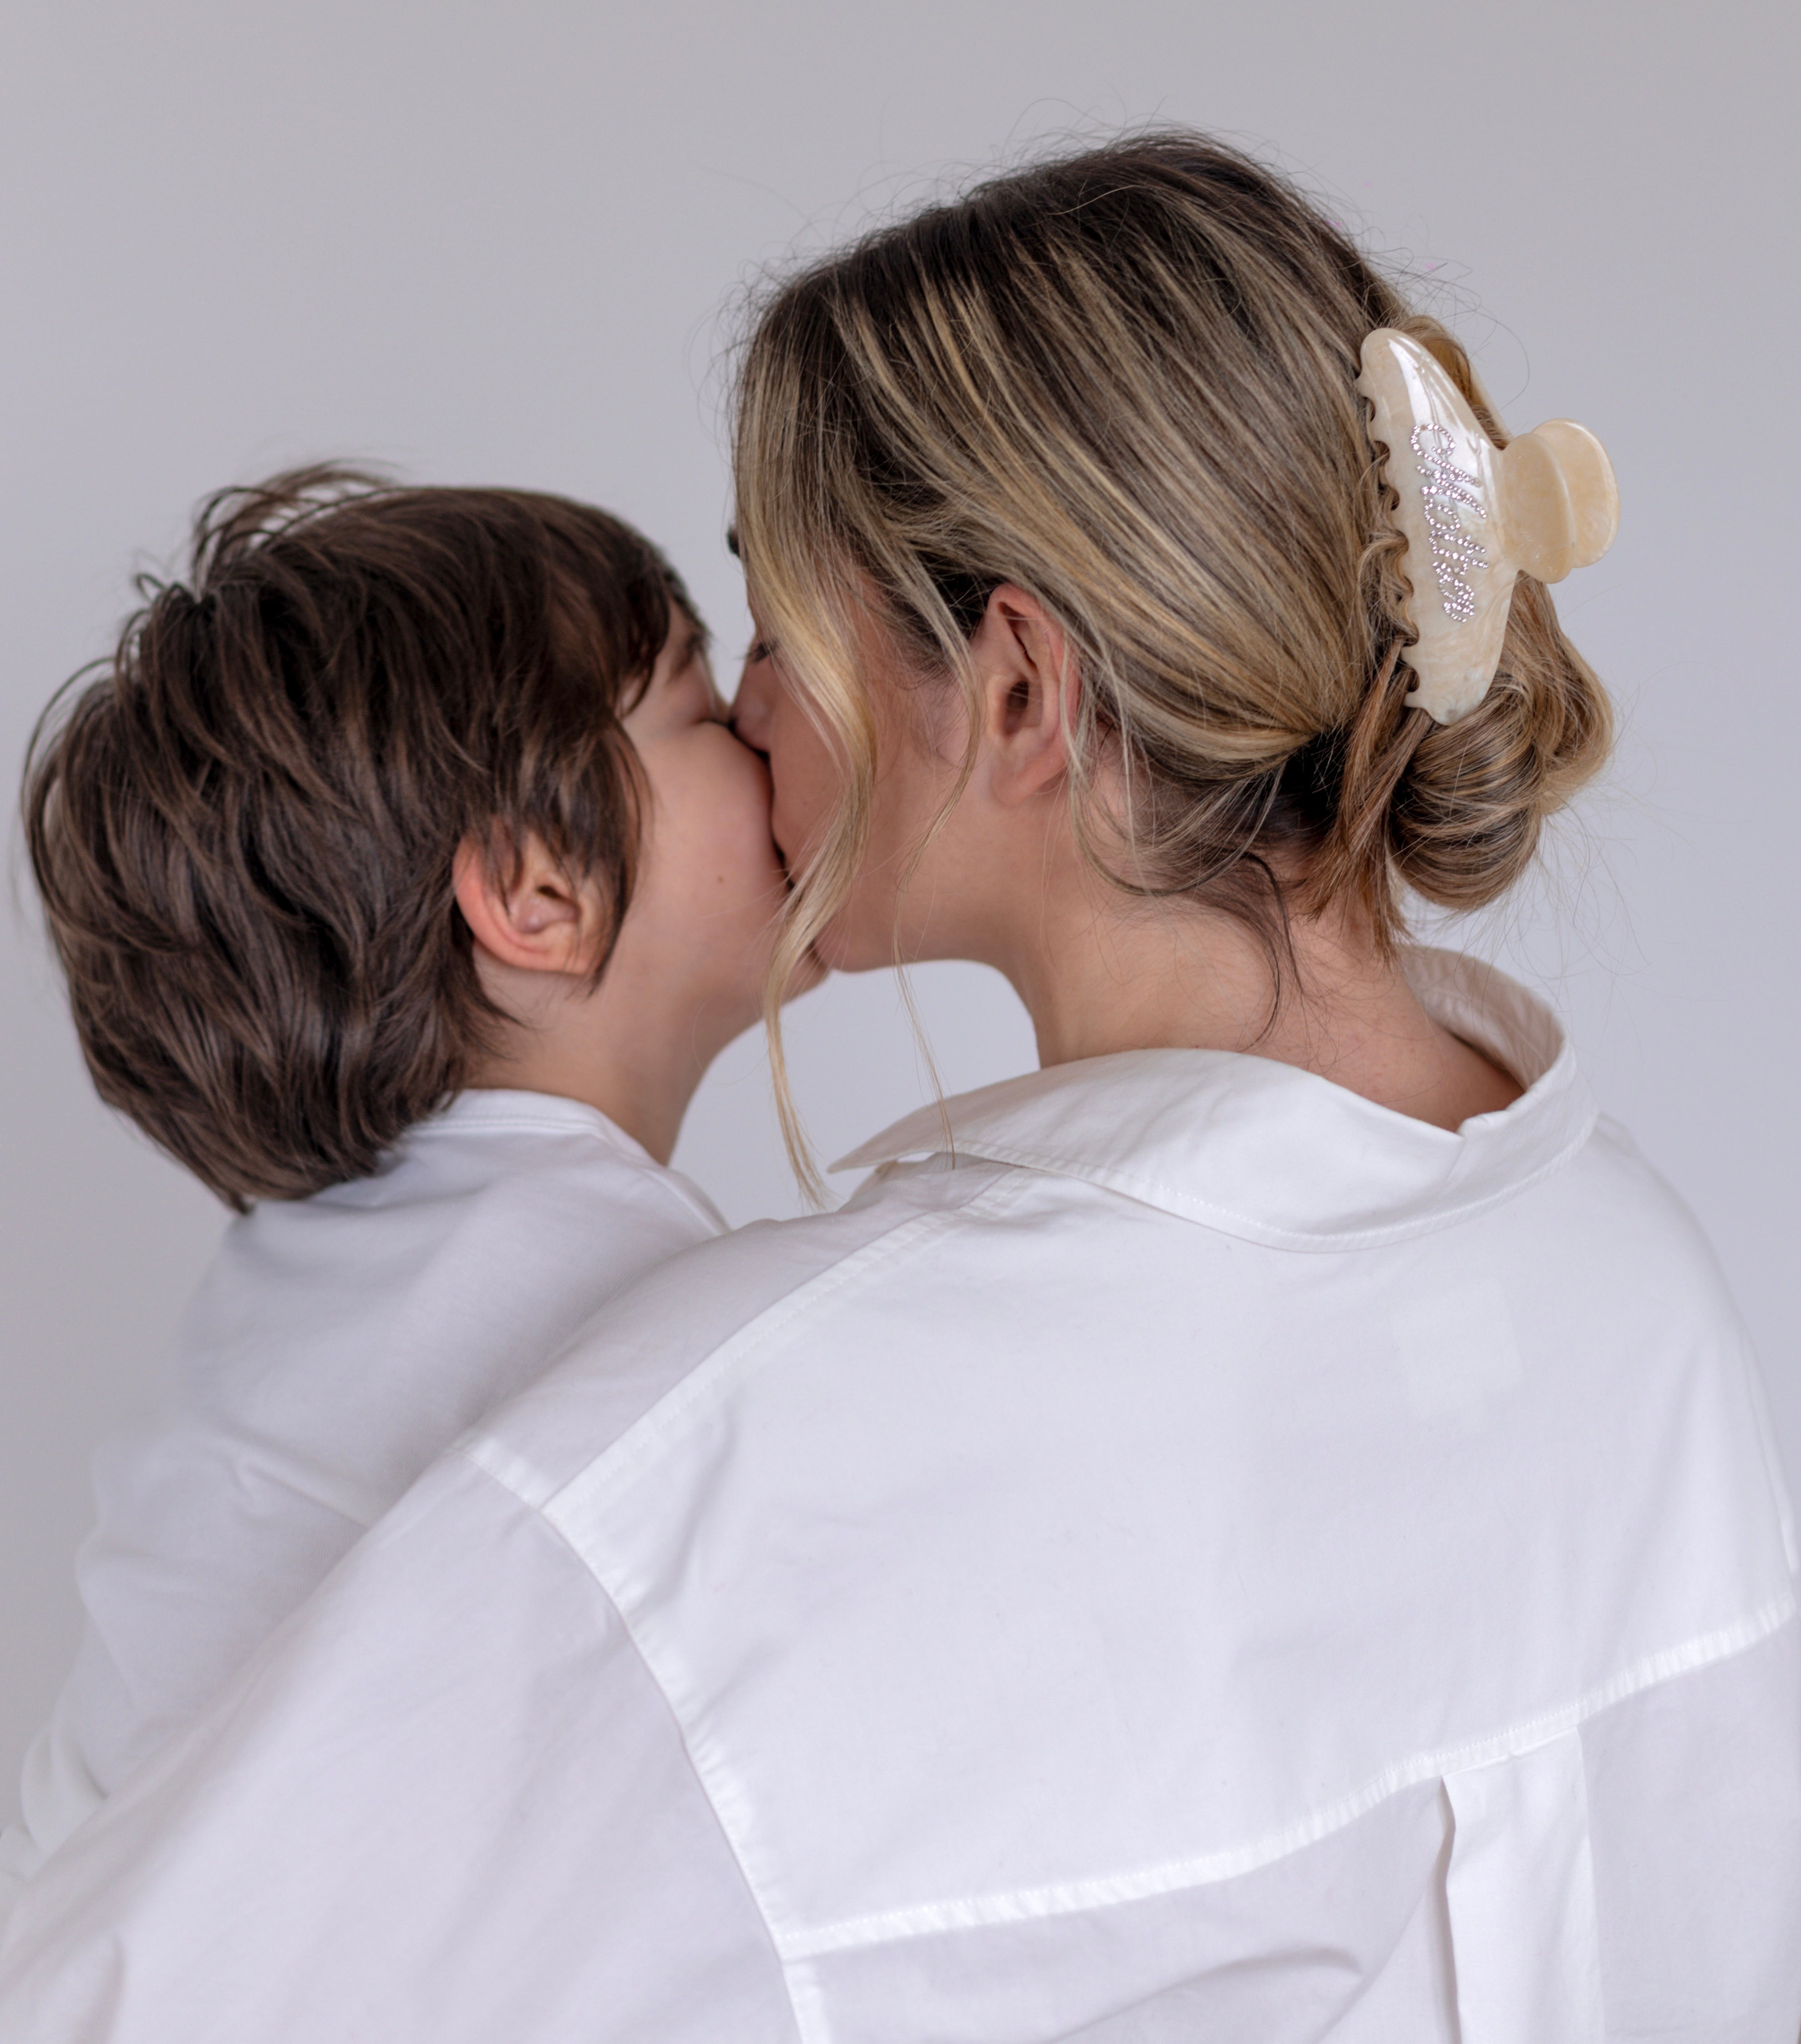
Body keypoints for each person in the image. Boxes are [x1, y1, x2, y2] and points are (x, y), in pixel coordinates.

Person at [3, 134, 1797, 2041]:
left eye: (768, 624)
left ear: (1017, 690)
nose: (758, 707)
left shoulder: (748, 1464)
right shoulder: (1639, 1278)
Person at [0, 471, 792, 1902]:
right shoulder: (611, 1287)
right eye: (700, 711)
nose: (765, 732)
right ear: (539, 891)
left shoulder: (300, 1270)